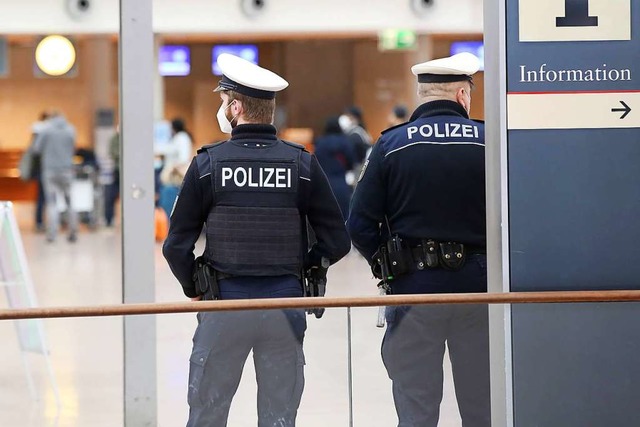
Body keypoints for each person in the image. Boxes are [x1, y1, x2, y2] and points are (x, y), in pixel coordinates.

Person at [162, 53, 351, 427]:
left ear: (235, 107)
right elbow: (338, 239)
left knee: (207, 414)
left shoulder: (208, 164)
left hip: (223, 308)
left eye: (223, 101)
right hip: (284, 306)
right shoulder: (301, 164)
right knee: (279, 417)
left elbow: (175, 246)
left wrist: (194, 286)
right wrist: (304, 272)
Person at [347, 52, 490, 427]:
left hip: (414, 289)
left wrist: (388, 266)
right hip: (481, 290)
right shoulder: (489, 140)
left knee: (416, 407)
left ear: (423, 94)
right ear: (463, 95)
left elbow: (359, 223)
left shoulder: (390, 144)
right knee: (483, 404)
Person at [33, 111, 78, 243]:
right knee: (70, 203)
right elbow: (73, 148)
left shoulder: (46, 130)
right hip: (67, 171)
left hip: (50, 171)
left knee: (52, 203)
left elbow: (36, 149)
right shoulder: (70, 130)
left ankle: (52, 234)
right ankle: (73, 232)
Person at [313, 116, 355, 218]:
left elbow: (315, 163)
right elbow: (351, 162)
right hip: (341, 185)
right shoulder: (345, 142)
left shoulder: (320, 143)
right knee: (343, 217)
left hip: (323, 186)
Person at [157, 118, 193, 218]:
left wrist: (173, 168)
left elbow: (183, 158)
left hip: (175, 179)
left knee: (170, 207)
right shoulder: (177, 138)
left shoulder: (182, 138)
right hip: (172, 179)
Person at [104, 128, 120, 227]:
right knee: (110, 197)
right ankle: (109, 220)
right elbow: (112, 152)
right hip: (117, 172)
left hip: (129, 172)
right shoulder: (114, 139)